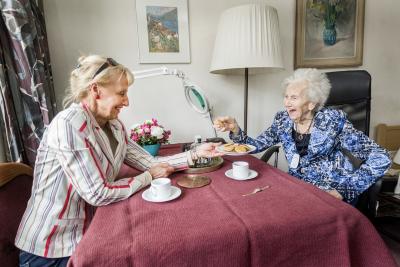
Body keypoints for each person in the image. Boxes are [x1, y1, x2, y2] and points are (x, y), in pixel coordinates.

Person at [15, 55, 223, 266]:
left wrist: (196, 153)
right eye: (121, 93)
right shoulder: (69, 124)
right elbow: (98, 193)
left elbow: (149, 162)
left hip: (85, 236)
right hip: (50, 248)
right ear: (96, 90)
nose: (127, 101)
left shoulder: (114, 126)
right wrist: (148, 177)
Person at [214, 68, 390, 204]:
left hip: (331, 192)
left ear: (312, 103)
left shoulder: (333, 122)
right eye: (286, 96)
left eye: (293, 98)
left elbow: (380, 157)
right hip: (297, 188)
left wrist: (344, 190)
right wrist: (235, 130)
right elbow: (255, 145)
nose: (286, 103)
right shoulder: (283, 120)